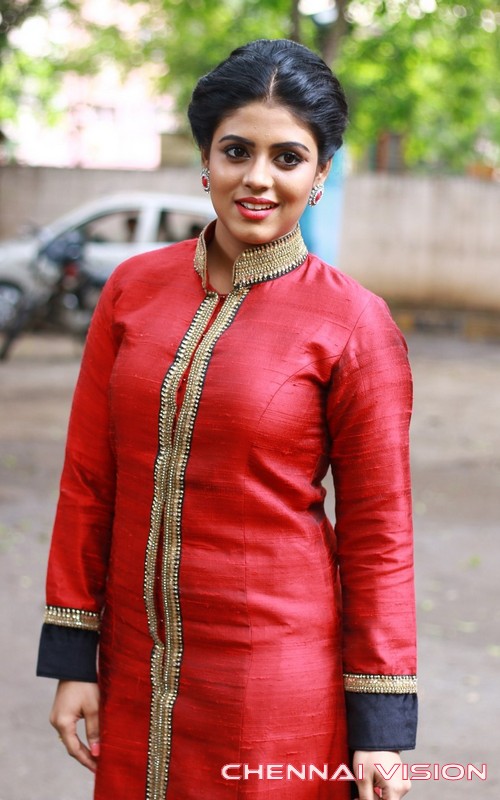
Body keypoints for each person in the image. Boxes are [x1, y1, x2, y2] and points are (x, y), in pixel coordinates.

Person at [37, 39, 417, 800]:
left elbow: (379, 532)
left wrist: (380, 725)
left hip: (272, 685)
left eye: (288, 157)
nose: (258, 178)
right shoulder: (133, 290)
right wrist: (74, 656)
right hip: (135, 669)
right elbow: (89, 478)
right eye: (237, 150)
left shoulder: (353, 323)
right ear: (205, 160)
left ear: (321, 174)